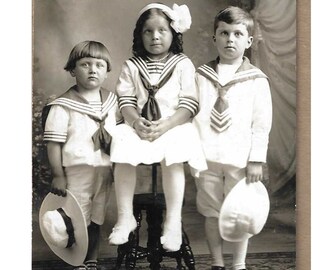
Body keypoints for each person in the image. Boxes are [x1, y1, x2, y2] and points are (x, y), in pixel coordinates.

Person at [108, 3, 207, 252]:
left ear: (173, 34)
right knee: (121, 145)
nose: (155, 36)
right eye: (148, 31)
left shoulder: (182, 63)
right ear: (139, 36)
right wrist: (134, 121)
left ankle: (172, 221)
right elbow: (126, 101)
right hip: (140, 124)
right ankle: (125, 216)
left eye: (162, 30)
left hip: (173, 124)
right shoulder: (132, 65)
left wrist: (167, 125)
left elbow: (189, 103)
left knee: (173, 156)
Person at [193, 6, 272, 270]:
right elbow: (192, 115)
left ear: (249, 41)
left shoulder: (256, 80)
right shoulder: (201, 76)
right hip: (207, 156)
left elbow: (261, 124)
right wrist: (193, 154)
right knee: (211, 212)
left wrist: (256, 160)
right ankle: (217, 263)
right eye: (224, 33)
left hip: (240, 158)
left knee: (241, 213)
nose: (230, 39)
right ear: (214, 38)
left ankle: (238, 264)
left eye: (238, 34)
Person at [43, 40, 120, 270]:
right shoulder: (63, 106)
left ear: (107, 71)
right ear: (73, 70)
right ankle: (77, 261)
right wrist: (58, 174)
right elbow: (53, 143)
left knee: (97, 216)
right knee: (77, 216)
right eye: (85, 64)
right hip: (76, 170)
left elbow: (121, 135)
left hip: (104, 169)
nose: (93, 69)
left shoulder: (113, 102)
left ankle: (91, 260)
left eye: (99, 64)